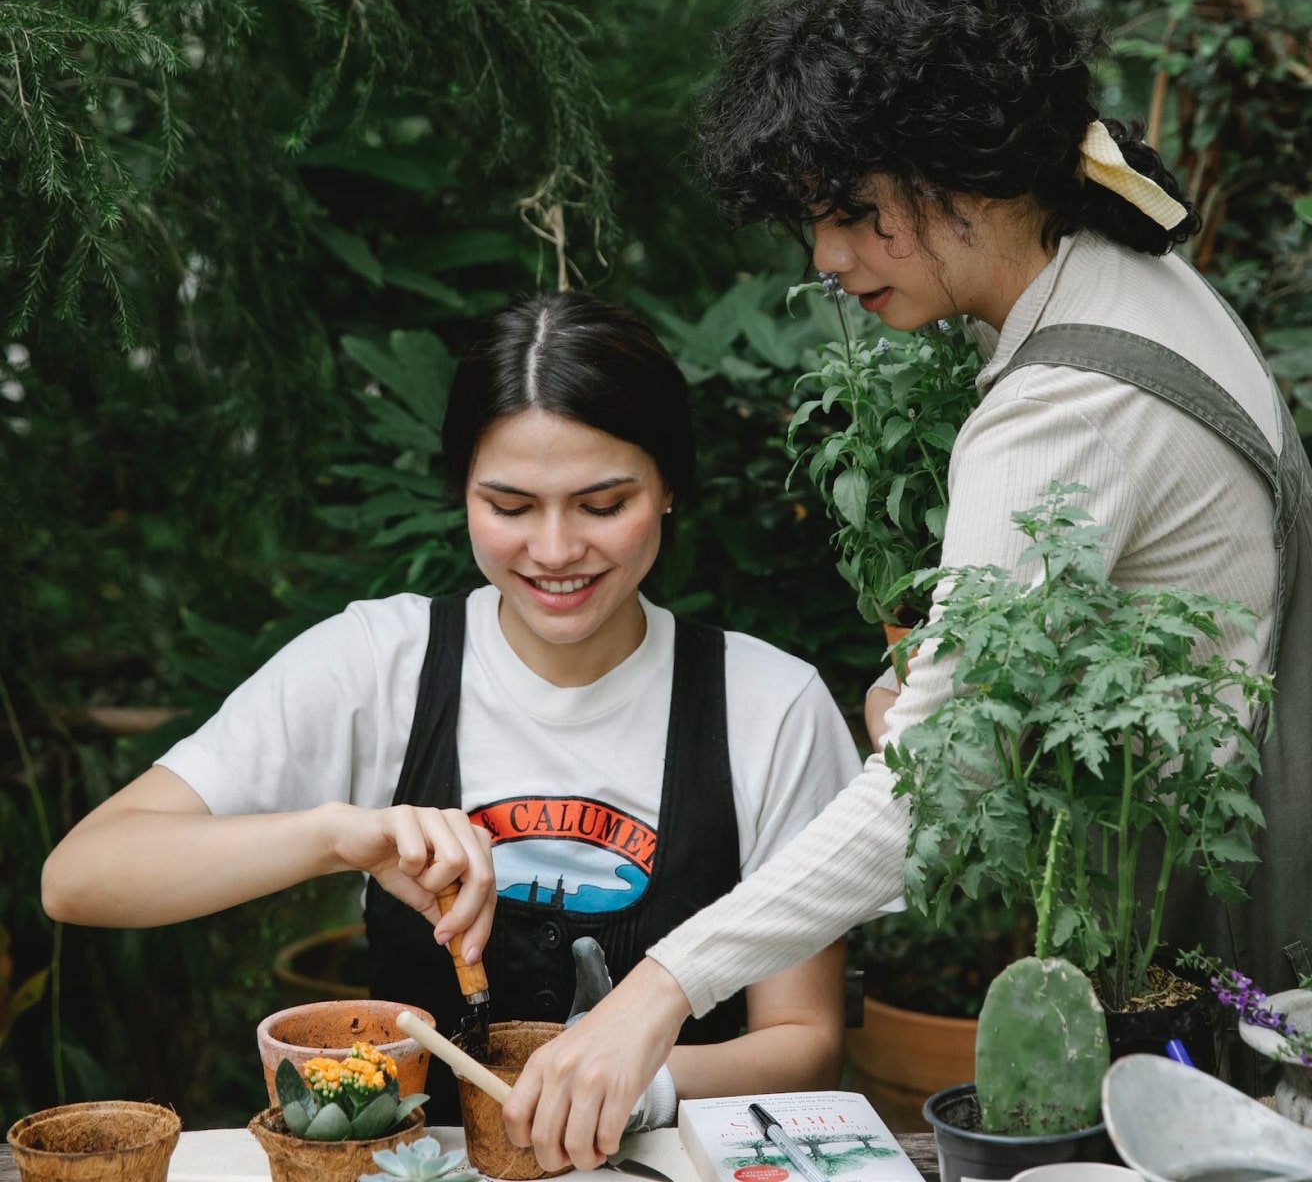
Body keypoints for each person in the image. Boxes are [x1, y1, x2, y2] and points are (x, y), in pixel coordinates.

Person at [498, 0, 1312, 1168]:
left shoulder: (1061, 405)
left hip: (1221, 951)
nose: (828, 259)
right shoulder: (1123, 265)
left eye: (855, 213)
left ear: (970, 171)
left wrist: (653, 992)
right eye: (812, 219)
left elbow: (934, 788)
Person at [40, 291, 861, 1121]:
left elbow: (806, 1038)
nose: (555, 550)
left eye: (603, 505)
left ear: (670, 486)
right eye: (509, 507)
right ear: (461, 491)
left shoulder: (770, 706)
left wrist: (642, 1082)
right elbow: (80, 877)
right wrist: (334, 837)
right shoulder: (378, 665)